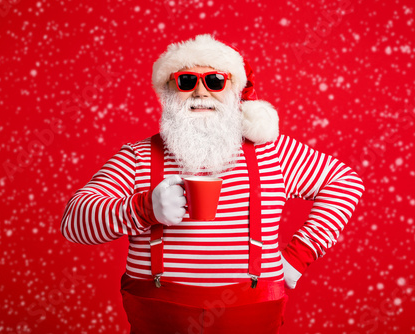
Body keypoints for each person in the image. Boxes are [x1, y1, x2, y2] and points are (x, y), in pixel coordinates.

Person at [60, 34, 365, 334]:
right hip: (159, 318)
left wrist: (300, 254)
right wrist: (143, 209)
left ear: (237, 91)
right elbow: (74, 222)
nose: (201, 93)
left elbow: (345, 182)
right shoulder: (139, 156)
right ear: (166, 91)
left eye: (216, 81)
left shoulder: (273, 151)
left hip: (252, 317)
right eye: (186, 81)